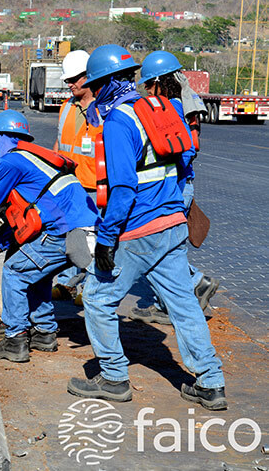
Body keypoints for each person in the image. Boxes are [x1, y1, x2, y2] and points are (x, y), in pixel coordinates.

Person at [66, 45, 227, 411]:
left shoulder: (119, 121)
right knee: (184, 306)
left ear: (104, 83)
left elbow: (122, 188)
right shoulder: (161, 109)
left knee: (97, 297)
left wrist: (107, 239)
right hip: (172, 223)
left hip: (141, 229)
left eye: (93, 84)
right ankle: (211, 383)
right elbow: (186, 159)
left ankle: (113, 377)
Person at [0, 113, 100, 362]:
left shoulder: (10, 162)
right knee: (36, 273)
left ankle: (15, 340)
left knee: (15, 271)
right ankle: (44, 333)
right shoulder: (30, 158)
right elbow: (19, 220)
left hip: (65, 229)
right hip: (79, 227)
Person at [128, 50, 219, 325]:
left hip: (175, 186)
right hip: (180, 184)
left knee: (158, 246)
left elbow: (185, 152)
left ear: (158, 82)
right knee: (164, 247)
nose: (145, 91)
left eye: (147, 85)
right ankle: (166, 301)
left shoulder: (172, 109)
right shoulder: (182, 105)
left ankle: (195, 283)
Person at [51, 50, 104, 302]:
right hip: (71, 185)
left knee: (93, 240)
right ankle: (68, 283)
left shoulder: (104, 110)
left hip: (97, 186)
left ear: (89, 76)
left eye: (74, 79)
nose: (70, 84)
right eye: (67, 81)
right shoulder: (66, 108)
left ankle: (85, 285)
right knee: (72, 234)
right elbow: (58, 144)